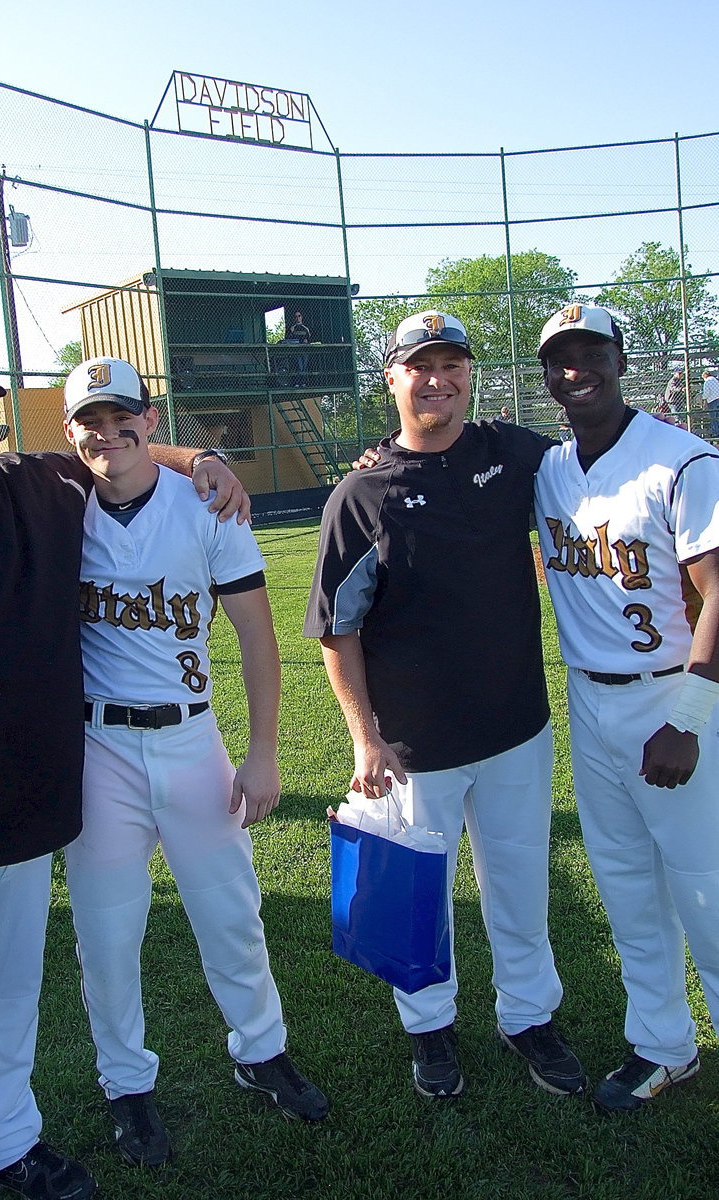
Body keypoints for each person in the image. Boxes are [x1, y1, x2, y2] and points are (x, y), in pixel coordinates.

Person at [0, 345, 248, 1200]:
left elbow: (117, 449)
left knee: (6, 996)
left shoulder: (37, 483)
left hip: (22, 801)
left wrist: (200, 456)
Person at [303, 310, 585, 1101]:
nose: (436, 379)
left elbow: (600, 463)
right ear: (390, 379)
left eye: (450, 363)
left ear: (468, 374)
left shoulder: (514, 452)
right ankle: (429, 1028)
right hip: (412, 745)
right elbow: (336, 629)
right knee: (415, 896)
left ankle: (528, 1016)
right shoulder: (361, 494)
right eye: (418, 366)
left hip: (514, 730)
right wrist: (363, 739)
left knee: (520, 889)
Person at [59, 357, 328, 1168]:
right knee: (106, 935)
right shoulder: (56, 503)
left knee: (230, 913)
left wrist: (263, 751)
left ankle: (260, 1050)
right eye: (90, 421)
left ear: (150, 414)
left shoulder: (208, 503)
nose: (109, 433)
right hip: (97, 746)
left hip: (189, 737)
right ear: (70, 432)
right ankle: (125, 1086)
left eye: (123, 415)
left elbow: (255, 636)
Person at [534, 305, 719, 1112]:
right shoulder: (547, 467)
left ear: (619, 358)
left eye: (590, 354)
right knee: (625, 891)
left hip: (668, 698)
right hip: (589, 698)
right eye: (560, 359)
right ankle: (662, 1046)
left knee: (705, 893)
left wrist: (689, 718)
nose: (576, 370)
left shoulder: (680, 461)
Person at [289, 311, 310, 382]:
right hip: (297, 351)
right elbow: (289, 339)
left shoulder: (305, 328)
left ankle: (304, 382)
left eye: (299, 316)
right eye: (296, 316)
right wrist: (291, 332)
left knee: (304, 367)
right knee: (299, 367)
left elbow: (309, 337)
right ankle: (298, 382)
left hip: (305, 350)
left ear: (301, 317)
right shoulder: (292, 328)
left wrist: (306, 340)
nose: (297, 318)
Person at [701, 368, 719, 439]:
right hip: (718, 398)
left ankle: (715, 433)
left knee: (713, 417)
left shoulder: (707, 382)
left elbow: (706, 393)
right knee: (717, 416)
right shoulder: (716, 380)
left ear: (705, 376)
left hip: (712, 401)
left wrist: (703, 398)